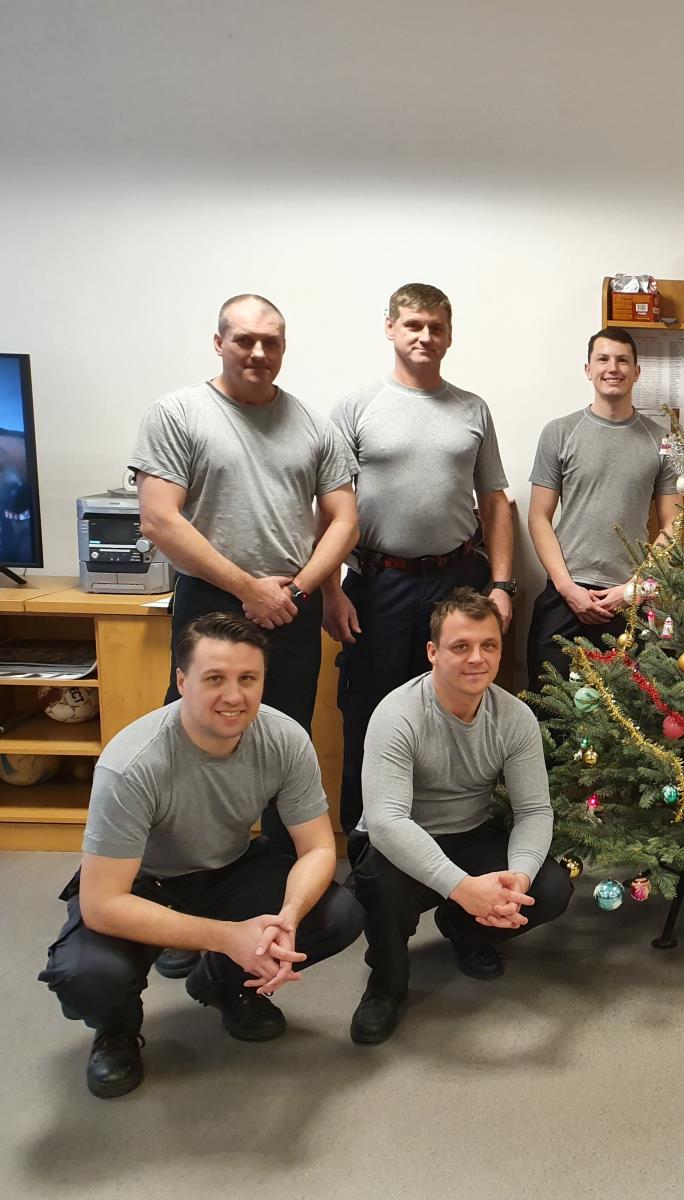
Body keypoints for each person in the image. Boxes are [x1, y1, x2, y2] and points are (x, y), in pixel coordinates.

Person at [37, 613, 364, 1098]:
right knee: (87, 977)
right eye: (214, 679)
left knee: (338, 914)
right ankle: (116, 1028)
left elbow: (317, 847)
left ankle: (223, 983)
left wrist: (288, 917)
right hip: (142, 886)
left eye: (247, 679)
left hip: (228, 870)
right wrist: (228, 937)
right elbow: (102, 903)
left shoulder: (284, 738)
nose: (233, 696)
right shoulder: (133, 763)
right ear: (182, 681)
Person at [132, 293, 358, 977]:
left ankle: (288, 904)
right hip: (211, 604)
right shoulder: (179, 414)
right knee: (193, 748)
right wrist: (246, 588)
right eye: (245, 340)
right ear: (219, 342)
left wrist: (299, 590)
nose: (259, 352)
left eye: (272, 341)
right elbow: (159, 519)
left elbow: (344, 519)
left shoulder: (314, 425)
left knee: (286, 750)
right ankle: (178, 903)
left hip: (289, 607)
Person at [324, 283, 516, 836]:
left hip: (457, 582)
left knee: (454, 713)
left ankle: (446, 841)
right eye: (413, 324)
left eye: (436, 327)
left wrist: (502, 586)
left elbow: (494, 501)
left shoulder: (472, 409)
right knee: (370, 716)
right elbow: (330, 506)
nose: (424, 336)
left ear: (449, 336)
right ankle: (367, 847)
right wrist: (331, 590)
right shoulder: (356, 407)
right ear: (390, 328)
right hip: (377, 586)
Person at [347, 590, 573, 1045]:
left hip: (469, 833)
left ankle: (466, 932)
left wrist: (518, 879)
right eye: (461, 646)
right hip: (397, 842)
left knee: (549, 888)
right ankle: (386, 984)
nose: (477, 658)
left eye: (489, 645)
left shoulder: (515, 717)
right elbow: (387, 822)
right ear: (432, 652)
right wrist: (462, 887)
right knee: (382, 885)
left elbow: (533, 810)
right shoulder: (397, 714)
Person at [527, 327, 678, 680]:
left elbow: (673, 525)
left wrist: (633, 589)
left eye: (623, 360)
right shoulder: (559, 432)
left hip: (632, 598)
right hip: (566, 593)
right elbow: (538, 518)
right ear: (588, 369)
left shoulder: (662, 441)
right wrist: (567, 588)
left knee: (631, 711)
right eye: (603, 359)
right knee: (547, 707)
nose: (613, 368)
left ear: (636, 371)